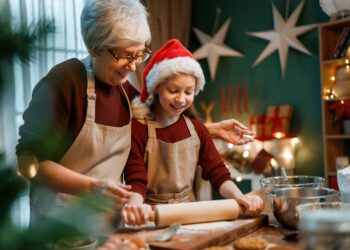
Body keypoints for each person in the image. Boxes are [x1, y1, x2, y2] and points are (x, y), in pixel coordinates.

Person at [16, 0, 255, 225]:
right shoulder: (63, 83)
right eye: (125, 55)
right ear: (95, 46)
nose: (134, 65)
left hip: (107, 226)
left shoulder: (125, 91)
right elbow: (29, 162)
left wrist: (210, 131)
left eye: (140, 53)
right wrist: (91, 186)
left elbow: (159, 126)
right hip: (59, 227)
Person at [122, 39, 264, 226]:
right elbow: (136, 179)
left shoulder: (197, 129)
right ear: (156, 87)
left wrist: (240, 197)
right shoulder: (138, 129)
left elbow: (218, 173)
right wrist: (134, 206)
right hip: (149, 216)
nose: (181, 99)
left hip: (190, 216)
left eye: (188, 92)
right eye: (173, 90)